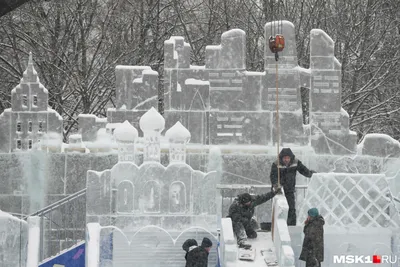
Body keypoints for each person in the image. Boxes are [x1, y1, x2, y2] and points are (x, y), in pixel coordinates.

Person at [270, 148, 315, 226]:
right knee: (280, 209)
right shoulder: (276, 164)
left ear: (291, 157)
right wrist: (276, 185)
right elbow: (273, 176)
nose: (286, 160)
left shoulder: (296, 162)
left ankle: (291, 226)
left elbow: (303, 170)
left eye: (288, 158)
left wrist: (311, 174)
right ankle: (280, 227)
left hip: (290, 190)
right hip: (278, 191)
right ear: (281, 158)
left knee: (291, 209)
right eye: (284, 158)